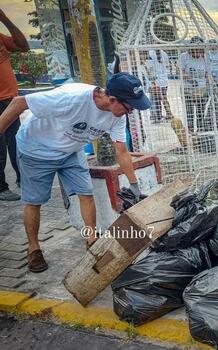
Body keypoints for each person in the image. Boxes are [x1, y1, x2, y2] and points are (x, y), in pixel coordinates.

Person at [0, 73, 151, 273]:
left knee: (86, 195)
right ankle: (34, 248)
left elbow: (121, 151)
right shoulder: (71, 97)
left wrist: (134, 187)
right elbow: (20, 102)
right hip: (37, 150)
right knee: (35, 201)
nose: (131, 111)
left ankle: (91, 240)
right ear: (113, 99)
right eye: (130, 106)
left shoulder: (117, 116)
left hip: (72, 151)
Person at [0, 9, 29, 201]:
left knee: (16, 142)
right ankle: (1, 188)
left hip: (9, 100)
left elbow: (23, 46)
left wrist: (5, 19)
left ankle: (23, 179)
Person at [146, 49, 173, 122]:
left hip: (155, 80)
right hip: (164, 80)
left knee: (155, 99)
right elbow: (167, 66)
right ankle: (168, 114)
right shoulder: (164, 53)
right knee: (164, 98)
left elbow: (149, 69)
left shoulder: (150, 53)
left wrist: (152, 81)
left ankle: (157, 116)